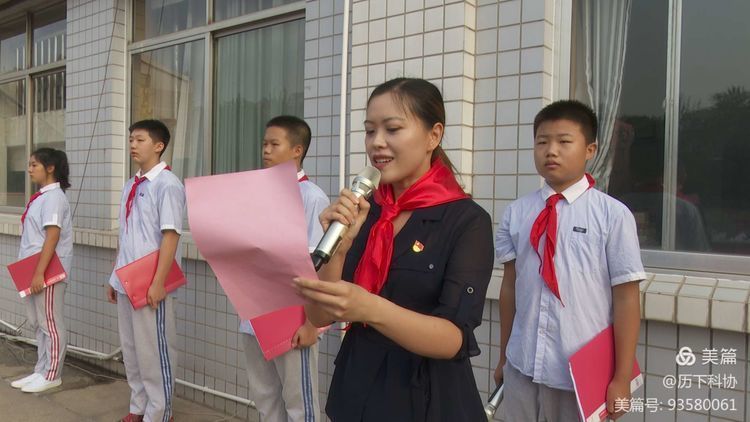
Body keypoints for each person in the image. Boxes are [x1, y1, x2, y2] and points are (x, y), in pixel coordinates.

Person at [294, 77, 494, 421]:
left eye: (393, 129)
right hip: (357, 390)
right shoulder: (367, 212)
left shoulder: (466, 220)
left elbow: (452, 339)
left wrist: (369, 307)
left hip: (426, 398)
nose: (377, 143)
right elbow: (320, 315)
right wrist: (339, 248)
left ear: (434, 135)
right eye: (370, 131)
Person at [494, 100, 645, 421]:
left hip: (581, 375)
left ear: (590, 149)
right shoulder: (517, 213)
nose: (551, 151)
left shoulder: (612, 215)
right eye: (542, 142)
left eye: (564, 141)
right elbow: (510, 287)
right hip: (522, 365)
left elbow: (627, 298)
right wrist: (504, 356)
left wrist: (620, 378)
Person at [239, 115, 329, 421]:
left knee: (299, 403)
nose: (265, 150)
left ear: (297, 150)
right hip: (256, 312)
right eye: (264, 144)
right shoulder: (257, 194)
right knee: (265, 397)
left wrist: (311, 324)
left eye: (274, 144)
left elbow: (317, 267)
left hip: (292, 319)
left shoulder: (312, 197)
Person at [107, 119, 186, 422]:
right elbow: (126, 235)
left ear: (159, 145)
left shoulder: (167, 185)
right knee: (132, 350)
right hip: (128, 280)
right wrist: (114, 276)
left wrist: (159, 282)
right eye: (130, 140)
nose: (132, 145)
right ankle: (137, 407)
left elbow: (171, 235)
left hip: (152, 283)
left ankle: (159, 412)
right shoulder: (132, 184)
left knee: (155, 351)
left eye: (139, 140)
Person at [11, 148, 72, 393]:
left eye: (34, 164)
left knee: (50, 323)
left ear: (50, 168)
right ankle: (41, 369)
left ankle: (52, 373)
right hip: (31, 268)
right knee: (38, 323)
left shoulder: (54, 197)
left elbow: (53, 236)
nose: (29, 169)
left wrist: (39, 273)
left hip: (46, 270)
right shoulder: (40, 197)